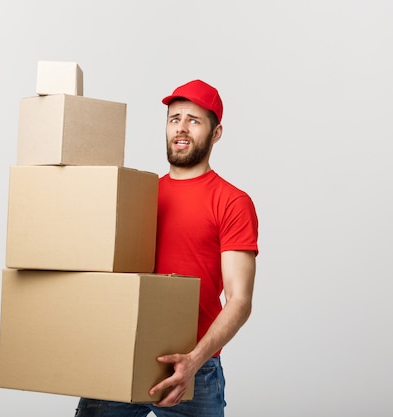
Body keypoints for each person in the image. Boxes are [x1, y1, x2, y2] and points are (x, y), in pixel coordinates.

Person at [75, 79, 259, 417]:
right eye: (175, 119)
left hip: (194, 368)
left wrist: (193, 362)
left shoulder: (232, 202)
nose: (182, 128)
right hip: (122, 355)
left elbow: (240, 300)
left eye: (194, 120)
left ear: (216, 133)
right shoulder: (139, 194)